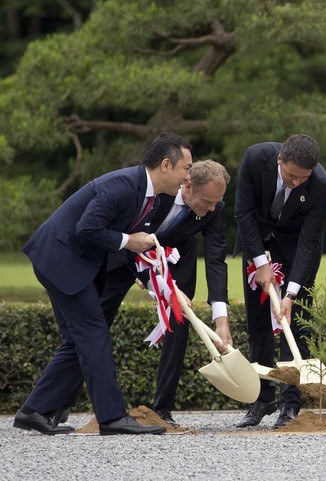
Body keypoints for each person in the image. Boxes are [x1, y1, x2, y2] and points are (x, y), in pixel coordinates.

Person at [14, 133, 193, 435]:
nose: (188, 176)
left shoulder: (149, 198)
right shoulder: (122, 185)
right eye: (186, 168)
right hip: (60, 259)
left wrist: (166, 291)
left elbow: (140, 252)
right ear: (166, 164)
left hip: (66, 261)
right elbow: (88, 228)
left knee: (78, 340)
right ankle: (111, 418)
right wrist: (127, 240)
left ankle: (34, 410)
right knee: (94, 333)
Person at [52, 160, 234, 428]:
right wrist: (145, 277)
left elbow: (217, 259)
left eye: (215, 203)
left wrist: (221, 319)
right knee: (92, 326)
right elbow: (123, 229)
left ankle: (162, 408)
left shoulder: (214, 207)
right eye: (206, 201)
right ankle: (60, 402)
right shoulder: (158, 191)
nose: (210, 209)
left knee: (179, 324)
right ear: (187, 185)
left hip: (175, 258)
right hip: (123, 254)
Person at [233, 134, 326, 428]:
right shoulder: (254, 158)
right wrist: (260, 263)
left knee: (296, 324)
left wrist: (290, 294)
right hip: (257, 242)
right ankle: (261, 398)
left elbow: (308, 241)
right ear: (280, 160)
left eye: (303, 178)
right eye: (291, 176)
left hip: (297, 250)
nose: (297, 183)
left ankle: (290, 404)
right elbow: (243, 212)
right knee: (258, 324)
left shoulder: (322, 185)